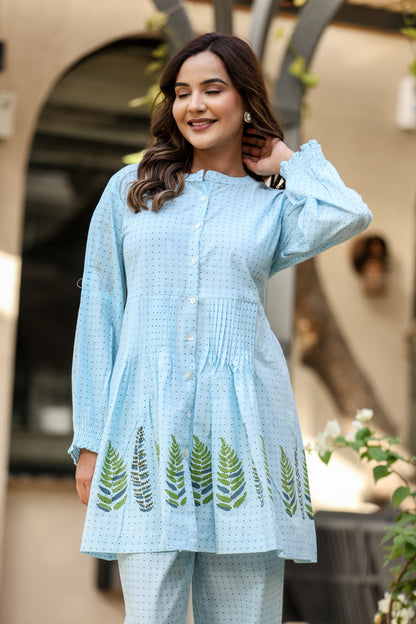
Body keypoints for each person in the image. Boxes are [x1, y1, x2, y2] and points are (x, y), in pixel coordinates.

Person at [70, 32, 372, 624]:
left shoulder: (272, 206)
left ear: (245, 100)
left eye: (213, 89)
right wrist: (90, 440)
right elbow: (100, 313)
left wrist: (288, 161)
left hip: (245, 430)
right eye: (182, 93)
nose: (195, 105)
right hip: (146, 430)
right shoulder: (129, 193)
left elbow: (349, 213)